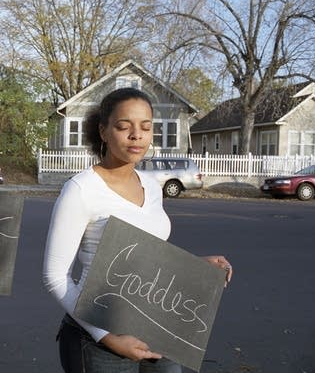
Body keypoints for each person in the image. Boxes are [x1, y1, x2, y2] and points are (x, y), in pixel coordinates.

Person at [42, 88, 233, 373]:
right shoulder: (81, 190)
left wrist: (196, 267)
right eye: (123, 126)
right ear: (103, 132)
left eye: (145, 127)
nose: (136, 135)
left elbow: (149, 256)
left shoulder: (152, 186)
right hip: (99, 337)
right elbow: (55, 277)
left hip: (157, 328)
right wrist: (106, 337)